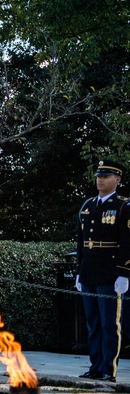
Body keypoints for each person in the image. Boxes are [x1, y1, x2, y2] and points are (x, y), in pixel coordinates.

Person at [76, 158, 130, 382]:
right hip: (89, 271)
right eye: (99, 176)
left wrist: (124, 272)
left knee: (110, 324)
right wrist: (79, 270)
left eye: (106, 176)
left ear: (117, 179)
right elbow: (81, 241)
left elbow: (127, 242)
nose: (100, 180)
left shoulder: (122, 206)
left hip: (110, 272)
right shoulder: (88, 206)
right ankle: (95, 366)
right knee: (93, 323)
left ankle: (108, 369)